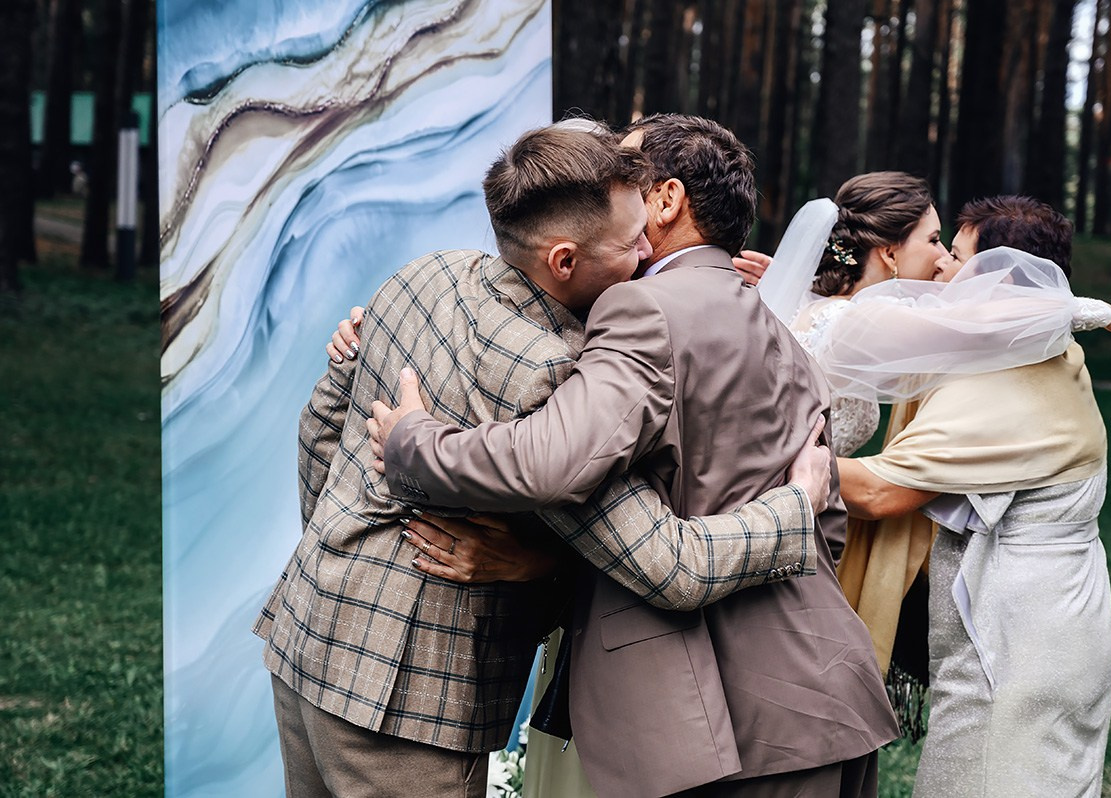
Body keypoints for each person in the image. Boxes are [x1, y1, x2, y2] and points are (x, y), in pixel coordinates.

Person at [255, 122, 831, 798]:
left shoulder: (424, 274)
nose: (648, 253)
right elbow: (668, 565)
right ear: (564, 260)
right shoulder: (551, 376)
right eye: (631, 242)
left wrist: (345, 558)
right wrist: (793, 511)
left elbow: (320, 431)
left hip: (304, 635)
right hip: (409, 700)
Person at [834, 195, 1111, 796]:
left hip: (1016, 653)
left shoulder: (1004, 386)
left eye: (956, 258)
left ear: (998, 281)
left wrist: (771, 459)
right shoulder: (1041, 343)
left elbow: (879, 492)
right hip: (1050, 628)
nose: (940, 271)